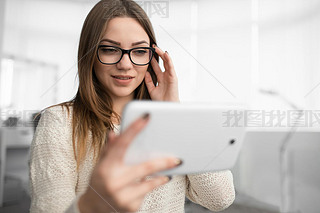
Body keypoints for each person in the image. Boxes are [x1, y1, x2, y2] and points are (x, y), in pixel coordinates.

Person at [28, 0, 235, 212]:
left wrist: (174, 113)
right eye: (110, 49)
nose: (125, 64)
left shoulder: (172, 122)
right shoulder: (60, 122)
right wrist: (90, 204)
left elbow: (220, 198)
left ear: (152, 58)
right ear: (89, 53)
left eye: (139, 52)